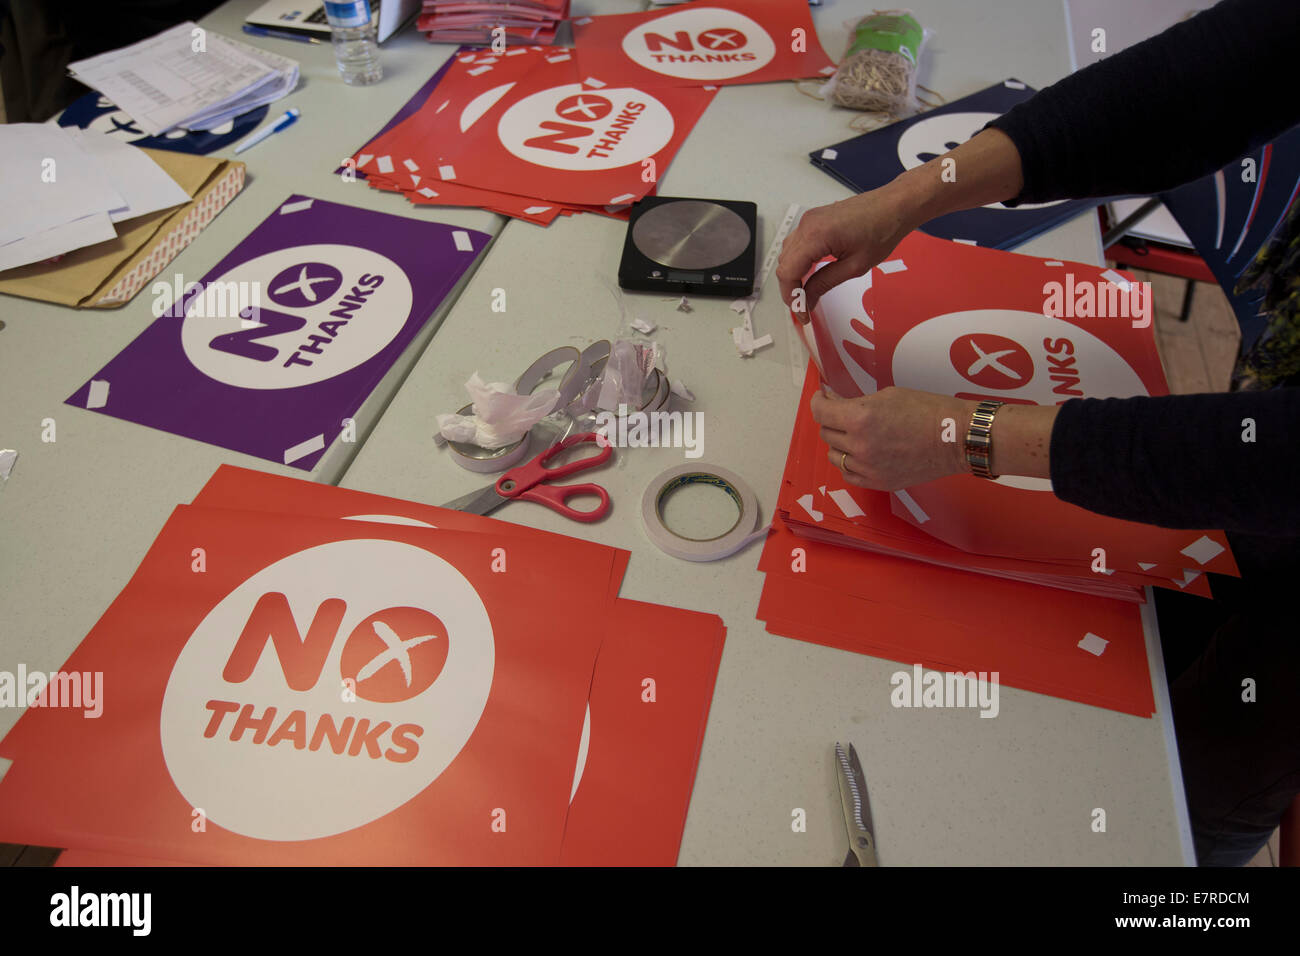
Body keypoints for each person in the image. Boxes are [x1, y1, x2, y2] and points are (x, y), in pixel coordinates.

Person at [776, 0, 1300, 866]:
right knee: (1138, 613)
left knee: (1175, 803)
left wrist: (970, 433)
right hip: (1249, 463)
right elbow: (1195, 83)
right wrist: (912, 196)